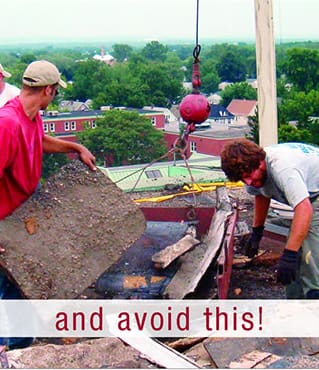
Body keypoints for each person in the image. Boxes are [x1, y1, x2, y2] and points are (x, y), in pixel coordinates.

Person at [0, 60, 96, 350]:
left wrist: (75, 147)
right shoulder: (7, 124)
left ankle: (20, 344)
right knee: (10, 287)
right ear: (49, 90)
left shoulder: (30, 116)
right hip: (5, 221)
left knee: (25, 284)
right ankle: (11, 350)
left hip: (23, 211)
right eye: (55, 92)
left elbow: (38, 141)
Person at [221, 138, 319, 300]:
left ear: (260, 163)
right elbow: (261, 194)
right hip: (310, 196)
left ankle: (314, 297)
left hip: (314, 197)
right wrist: (257, 232)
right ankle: (295, 305)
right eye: (243, 179)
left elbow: (304, 208)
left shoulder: (283, 169)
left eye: (248, 176)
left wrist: (289, 255)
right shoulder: (250, 170)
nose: (248, 182)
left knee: (308, 249)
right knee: (295, 248)